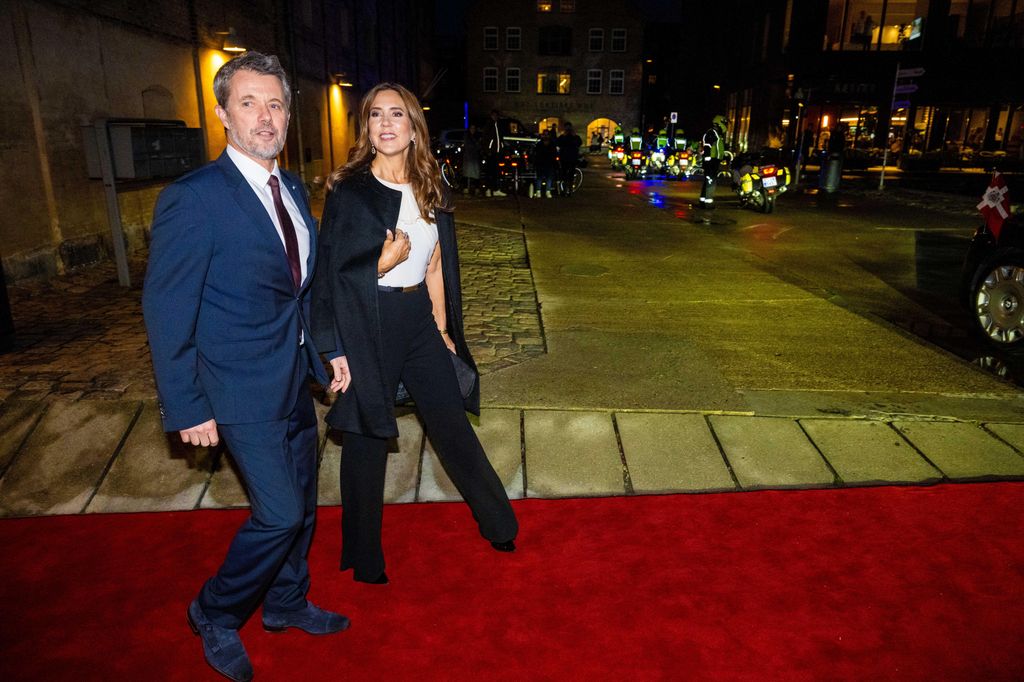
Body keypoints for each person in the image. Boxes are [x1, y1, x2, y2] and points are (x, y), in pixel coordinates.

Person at [142, 51, 349, 682]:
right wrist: (187, 404)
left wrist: (325, 349)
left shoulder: (289, 188)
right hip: (234, 388)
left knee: (304, 507)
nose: (266, 117)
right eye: (250, 103)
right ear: (223, 114)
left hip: (292, 382)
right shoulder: (194, 198)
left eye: (276, 104)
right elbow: (167, 307)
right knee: (279, 512)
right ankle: (214, 611)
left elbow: (300, 288)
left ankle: (285, 604)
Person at [310, 83, 519, 586]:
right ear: (367, 127)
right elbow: (328, 272)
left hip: (419, 323)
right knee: (367, 437)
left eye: (397, 114)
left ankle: (499, 523)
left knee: (452, 426)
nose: (386, 123)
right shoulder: (350, 190)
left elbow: (436, 265)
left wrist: (444, 329)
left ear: (413, 128)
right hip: (369, 322)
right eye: (376, 114)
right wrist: (377, 265)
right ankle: (364, 557)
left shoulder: (432, 185)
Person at [699, 114, 728, 209]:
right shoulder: (712, 133)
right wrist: (708, 160)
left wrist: (723, 156)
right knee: (711, 181)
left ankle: (703, 201)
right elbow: (708, 147)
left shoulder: (715, 134)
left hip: (713, 161)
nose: (725, 125)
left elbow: (717, 149)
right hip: (711, 161)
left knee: (708, 180)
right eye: (724, 123)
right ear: (719, 123)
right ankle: (708, 203)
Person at [483, 109, 506, 197]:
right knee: (490, 171)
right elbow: (485, 139)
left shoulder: (499, 125)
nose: (495, 117)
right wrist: (487, 150)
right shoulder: (489, 125)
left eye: (496, 116)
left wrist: (502, 148)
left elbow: (500, 138)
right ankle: (488, 189)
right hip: (491, 152)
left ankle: (496, 189)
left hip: (497, 152)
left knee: (497, 172)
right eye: (494, 115)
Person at [556, 122, 582, 196]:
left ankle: (569, 190)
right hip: (565, 158)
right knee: (564, 175)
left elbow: (579, 143)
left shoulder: (574, 137)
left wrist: (574, 136)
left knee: (570, 175)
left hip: (571, 158)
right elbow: (558, 143)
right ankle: (565, 190)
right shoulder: (563, 137)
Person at [531, 129, 557, 198]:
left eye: (547, 134)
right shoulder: (539, 144)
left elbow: (554, 154)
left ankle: (547, 191)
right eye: (544, 134)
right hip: (541, 163)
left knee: (549, 178)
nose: (545, 136)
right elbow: (536, 153)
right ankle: (538, 191)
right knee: (539, 177)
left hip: (549, 163)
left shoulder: (552, 144)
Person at [461, 124, 482, 196]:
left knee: (476, 173)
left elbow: (479, 146)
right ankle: (465, 188)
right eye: (471, 128)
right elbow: (466, 145)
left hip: (475, 157)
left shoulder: (477, 137)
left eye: (474, 128)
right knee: (466, 173)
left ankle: (476, 188)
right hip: (468, 157)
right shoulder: (467, 136)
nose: (472, 130)